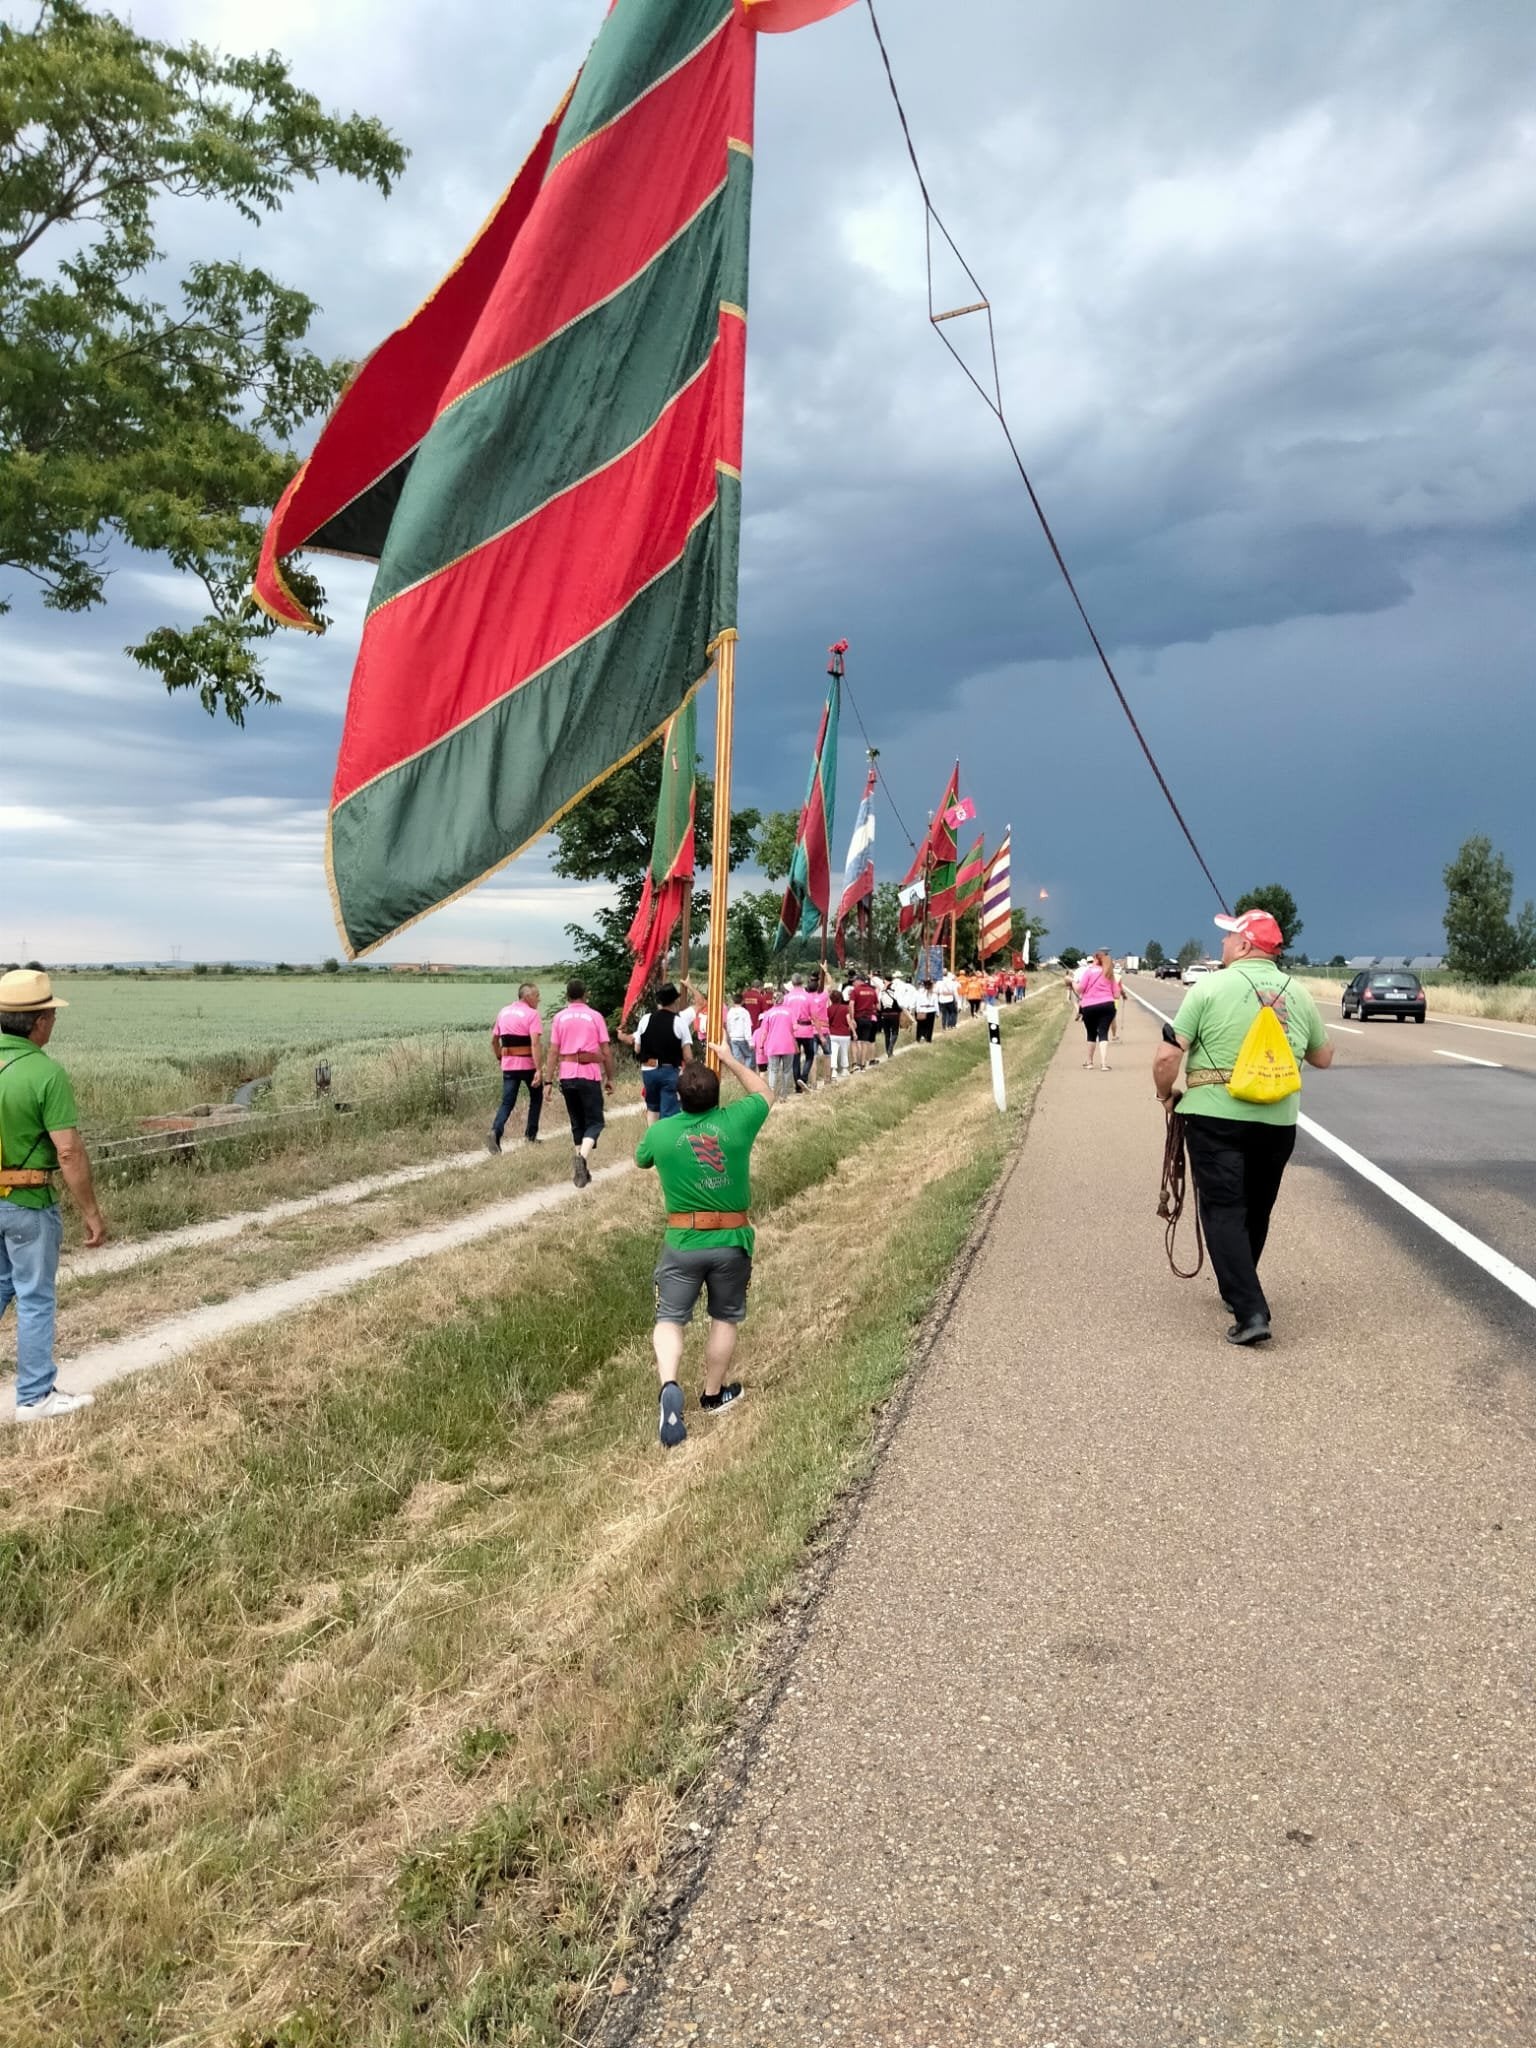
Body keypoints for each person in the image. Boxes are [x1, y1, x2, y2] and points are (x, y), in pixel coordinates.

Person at [1153, 909, 1333, 1347]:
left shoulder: (1209, 987)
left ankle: (1251, 1309)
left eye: (1228, 937)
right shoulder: (1301, 993)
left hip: (1215, 1117)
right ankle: (1240, 1289)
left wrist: (1166, 1096)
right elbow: (1324, 1057)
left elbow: (1166, 1058)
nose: (1222, 945)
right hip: (1278, 1122)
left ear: (1246, 945)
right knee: (1256, 1208)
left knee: (1223, 1210)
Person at [635, 1041, 773, 1447]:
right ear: (718, 1097)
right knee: (724, 1317)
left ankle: (669, 1384)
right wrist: (729, 1059)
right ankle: (713, 1395)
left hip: (682, 1241)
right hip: (731, 1240)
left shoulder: (661, 1133)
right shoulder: (737, 1121)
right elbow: (764, 1092)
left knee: (669, 1319)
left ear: (679, 1098)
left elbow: (641, 1159)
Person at [1, 969, 109, 1421]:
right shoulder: (45, 1073)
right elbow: (67, 1151)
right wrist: (91, 1211)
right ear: (40, 1021)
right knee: (35, 1296)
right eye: (50, 1013)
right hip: (28, 1202)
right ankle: (35, 1395)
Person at [544, 979, 614, 1186]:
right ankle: (581, 1158)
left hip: (566, 1075)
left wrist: (548, 1081)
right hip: (588, 1074)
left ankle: (581, 1172)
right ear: (586, 994)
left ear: (567, 996)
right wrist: (610, 1077)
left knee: (577, 1122)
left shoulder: (559, 1018)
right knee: (595, 1122)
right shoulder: (595, 1016)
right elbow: (606, 1051)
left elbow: (553, 1051)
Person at [619, 983, 693, 1124]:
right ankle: (666, 1142)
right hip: (669, 1071)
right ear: (674, 1001)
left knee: (652, 1109)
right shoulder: (678, 1022)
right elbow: (688, 1056)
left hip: (648, 1071)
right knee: (669, 1112)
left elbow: (637, 1049)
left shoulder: (646, 1019)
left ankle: (652, 1139)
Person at [487, 981, 543, 1151]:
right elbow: (535, 1044)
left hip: (509, 1066)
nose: (539, 999)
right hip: (527, 1065)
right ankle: (530, 1136)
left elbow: (494, 1040)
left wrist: (500, 1057)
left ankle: (496, 1131)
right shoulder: (532, 1014)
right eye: (537, 995)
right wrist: (539, 1069)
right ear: (527, 997)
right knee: (536, 1097)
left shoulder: (503, 1012)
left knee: (507, 1102)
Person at [1073, 949, 1119, 1070]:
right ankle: (1104, 1064)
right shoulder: (1109, 972)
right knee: (1103, 1033)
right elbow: (1117, 994)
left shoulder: (1088, 972)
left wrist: (1073, 983)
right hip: (1107, 1005)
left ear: (1096, 959)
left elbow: (1080, 989)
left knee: (1091, 1033)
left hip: (1089, 1006)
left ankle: (1089, 1062)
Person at [758, 987, 798, 1100]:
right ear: (783, 1000)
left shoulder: (768, 1013)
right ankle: (783, 1095)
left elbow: (764, 1032)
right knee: (786, 1070)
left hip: (773, 1045)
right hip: (788, 1045)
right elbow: (795, 1027)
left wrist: (761, 1046)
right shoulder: (790, 1011)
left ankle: (771, 1094)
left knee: (773, 1070)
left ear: (773, 1000)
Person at [849, 970, 880, 1071]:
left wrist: (852, 1018)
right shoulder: (872, 991)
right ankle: (862, 1064)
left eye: (854, 981)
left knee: (854, 1041)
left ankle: (854, 1064)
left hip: (858, 1018)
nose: (853, 983)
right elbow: (877, 1006)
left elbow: (851, 1005)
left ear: (859, 981)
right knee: (865, 1042)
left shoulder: (855, 991)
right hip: (868, 1018)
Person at [826, 984, 852, 1080]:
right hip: (845, 1034)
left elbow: (827, 1022)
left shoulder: (828, 1009)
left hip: (832, 1034)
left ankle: (833, 1071)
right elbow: (848, 1020)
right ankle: (845, 1069)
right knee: (844, 1051)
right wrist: (853, 1030)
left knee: (833, 1052)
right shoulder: (845, 1008)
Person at [725, 992, 754, 1070]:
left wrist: (730, 1034)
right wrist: (750, 1041)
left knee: (737, 1057)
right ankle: (747, 1071)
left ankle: (739, 1071)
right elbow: (747, 1027)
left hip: (733, 1038)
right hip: (742, 1038)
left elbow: (728, 1025)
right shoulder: (745, 1012)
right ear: (742, 1001)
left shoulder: (730, 1012)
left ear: (733, 1001)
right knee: (748, 1055)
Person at [877, 976, 903, 1060]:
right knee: (895, 1033)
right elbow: (900, 1003)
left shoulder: (882, 993)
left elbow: (879, 1005)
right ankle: (890, 1048)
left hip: (884, 1015)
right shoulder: (895, 992)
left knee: (887, 1034)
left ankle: (888, 1051)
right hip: (894, 1015)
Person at [912, 977, 939, 1043]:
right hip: (931, 1011)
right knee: (930, 1026)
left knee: (920, 1025)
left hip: (922, 1010)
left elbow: (917, 1002)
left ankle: (919, 1037)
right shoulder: (933, 993)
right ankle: (928, 1039)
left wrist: (917, 1010)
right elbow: (936, 1004)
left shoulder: (919, 992)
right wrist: (937, 1012)